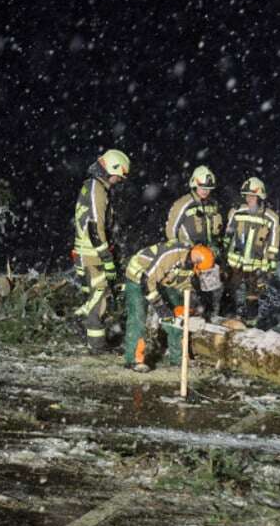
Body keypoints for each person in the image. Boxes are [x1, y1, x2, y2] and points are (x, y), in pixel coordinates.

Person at [122, 241, 221, 372]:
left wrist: (189, 309)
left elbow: (186, 286)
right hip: (139, 276)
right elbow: (147, 282)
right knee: (138, 317)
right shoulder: (172, 255)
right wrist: (160, 307)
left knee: (178, 319)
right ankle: (134, 360)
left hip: (163, 281)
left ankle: (178, 358)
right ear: (195, 262)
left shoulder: (192, 266)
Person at [71, 148, 130, 352]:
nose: (118, 181)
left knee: (93, 294)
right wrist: (106, 257)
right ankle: (96, 344)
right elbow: (95, 226)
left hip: (85, 252)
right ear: (110, 169)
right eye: (118, 177)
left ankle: (82, 325)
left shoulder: (91, 186)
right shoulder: (97, 188)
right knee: (100, 294)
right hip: (92, 255)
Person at [222, 177, 280, 327]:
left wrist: (269, 268)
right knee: (229, 291)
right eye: (247, 195)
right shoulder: (236, 212)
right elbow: (228, 235)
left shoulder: (271, 218)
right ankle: (225, 320)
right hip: (235, 262)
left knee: (252, 295)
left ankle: (250, 325)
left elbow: (273, 245)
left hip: (256, 265)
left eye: (253, 196)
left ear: (261, 197)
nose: (249, 199)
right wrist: (222, 256)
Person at [166, 165, 224, 316]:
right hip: (188, 255)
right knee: (188, 292)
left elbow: (215, 230)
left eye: (208, 187)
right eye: (202, 186)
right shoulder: (182, 204)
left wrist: (216, 247)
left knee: (210, 293)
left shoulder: (213, 204)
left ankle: (209, 320)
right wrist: (178, 254)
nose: (205, 190)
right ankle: (186, 324)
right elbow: (171, 230)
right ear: (194, 184)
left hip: (207, 256)